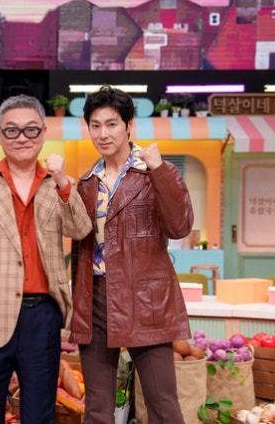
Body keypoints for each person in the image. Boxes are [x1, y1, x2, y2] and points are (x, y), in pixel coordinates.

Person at [0, 94, 92, 424]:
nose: (22, 137)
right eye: (11, 130)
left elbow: (81, 229)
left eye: (31, 129)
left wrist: (63, 182)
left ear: (43, 134)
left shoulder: (56, 185)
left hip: (43, 316)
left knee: (39, 412)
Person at [71, 85, 194, 424]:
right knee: (97, 408)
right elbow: (80, 248)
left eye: (112, 124)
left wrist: (159, 169)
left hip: (146, 299)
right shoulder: (87, 183)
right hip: (95, 298)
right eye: (95, 125)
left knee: (163, 405)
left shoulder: (153, 172)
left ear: (129, 126)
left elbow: (180, 226)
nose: (103, 134)